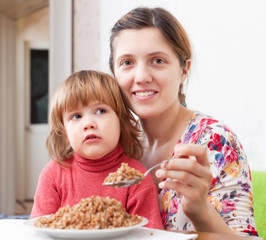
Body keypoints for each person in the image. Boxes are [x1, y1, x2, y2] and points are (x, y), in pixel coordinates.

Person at [109, 7, 258, 236]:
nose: (141, 77)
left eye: (157, 60)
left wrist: (200, 211)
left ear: (183, 70)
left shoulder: (217, 143)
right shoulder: (115, 144)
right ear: (114, 74)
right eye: (127, 63)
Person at [30, 70, 163, 229]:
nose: (88, 123)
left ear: (121, 122)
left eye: (100, 111)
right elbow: (38, 230)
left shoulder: (137, 179)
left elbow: (150, 234)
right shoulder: (52, 174)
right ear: (65, 133)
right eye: (76, 116)